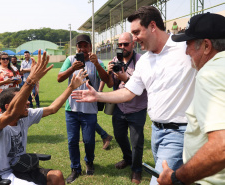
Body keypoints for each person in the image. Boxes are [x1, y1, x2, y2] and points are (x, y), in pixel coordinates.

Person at [71, 6, 196, 185]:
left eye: (136, 32)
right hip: (157, 131)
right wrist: (97, 96)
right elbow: (129, 91)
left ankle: (136, 170)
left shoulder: (185, 48)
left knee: (160, 181)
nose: (135, 38)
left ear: (153, 26)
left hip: (179, 132)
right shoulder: (145, 60)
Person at [0, 50, 88, 185]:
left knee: (56, 176)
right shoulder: (1, 122)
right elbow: (11, 113)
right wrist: (30, 81)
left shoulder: (26, 116)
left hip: (22, 168)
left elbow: (52, 109)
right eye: (23, 101)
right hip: (4, 174)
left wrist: (71, 87)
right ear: (7, 106)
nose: (28, 102)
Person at [157, 12, 225, 185]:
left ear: (207, 46)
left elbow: (222, 146)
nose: (186, 52)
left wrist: (176, 178)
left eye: (188, 44)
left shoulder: (210, 73)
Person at [57, 34, 109, 184]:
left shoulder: (97, 61)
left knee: (89, 141)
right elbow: (59, 78)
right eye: (79, 46)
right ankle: (75, 168)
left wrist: (97, 65)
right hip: (71, 109)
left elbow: (107, 80)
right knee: (72, 141)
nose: (82, 49)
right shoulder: (70, 60)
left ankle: (89, 161)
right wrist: (72, 69)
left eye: (85, 46)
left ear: (91, 47)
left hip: (89, 109)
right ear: (76, 48)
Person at [106, 32, 147, 184]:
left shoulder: (141, 61)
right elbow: (110, 84)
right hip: (119, 108)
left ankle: (136, 170)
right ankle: (128, 158)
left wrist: (127, 79)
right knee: (119, 136)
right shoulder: (115, 60)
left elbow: (145, 87)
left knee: (137, 142)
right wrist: (108, 71)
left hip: (137, 108)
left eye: (125, 44)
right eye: (120, 44)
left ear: (133, 44)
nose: (122, 47)